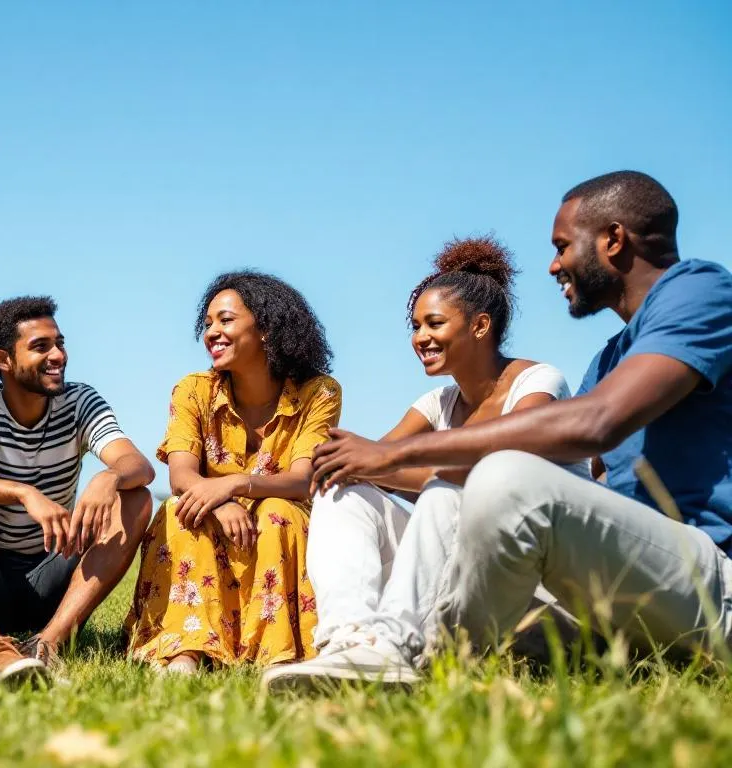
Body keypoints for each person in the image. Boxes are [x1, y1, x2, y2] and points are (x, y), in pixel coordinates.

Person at [271, 170, 732, 687]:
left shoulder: (701, 290)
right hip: (613, 601)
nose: (554, 265)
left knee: (501, 476)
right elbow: (597, 478)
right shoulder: (608, 362)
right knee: (419, 496)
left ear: (613, 240)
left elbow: (598, 422)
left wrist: (395, 456)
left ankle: (428, 656)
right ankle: (362, 650)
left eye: (562, 246)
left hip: (706, 582)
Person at [260, 237, 587, 690]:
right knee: (344, 493)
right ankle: (349, 641)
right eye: (415, 326)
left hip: (537, 585)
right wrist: (349, 461)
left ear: (480, 326)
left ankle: (393, 643)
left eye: (434, 323)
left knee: (445, 488)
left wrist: (381, 462)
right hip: (464, 582)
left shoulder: (537, 382)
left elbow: (498, 469)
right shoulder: (437, 403)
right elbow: (367, 463)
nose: (420, 338)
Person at [0, 296, 154, 683]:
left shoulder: (80, 401)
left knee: (136, 497)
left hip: (53, 572)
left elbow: (138, 465)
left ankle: (49, 642)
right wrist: (24, 493)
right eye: (40, 347)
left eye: (60, 343)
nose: (58, 356)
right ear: (3, 360)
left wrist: (109, 477)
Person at [125, 271, 340, 674]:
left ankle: (272, 650)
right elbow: (181, 476)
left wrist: (235, 483)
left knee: (278, 510)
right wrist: (219, 501)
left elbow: (301, 480)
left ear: (266, 329)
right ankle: (186, 650)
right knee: (182, 510)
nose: (212, 333)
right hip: (211, 517)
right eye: (207, 324)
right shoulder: (192, 390)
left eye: (225, 320)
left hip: (280, 520)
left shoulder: (319, 392)